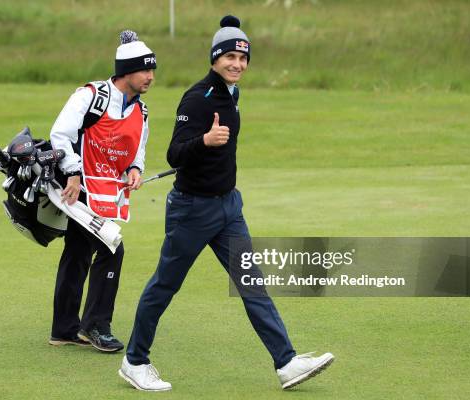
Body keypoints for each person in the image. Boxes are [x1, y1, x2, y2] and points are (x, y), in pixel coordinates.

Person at [118, 16, 334, 390]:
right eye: (230, 57)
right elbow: (174, 154)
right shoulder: (197, 98)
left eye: (243, 58)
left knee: (252, 284)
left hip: (228, 208)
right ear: (215, 59)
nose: (237, 64)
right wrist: (205, 140)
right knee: (164, 286)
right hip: (192, 211)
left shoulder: (232, 93)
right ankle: (135, 361)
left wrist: (214, 155)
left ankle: (286, 363)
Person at [48, 30, 156, 352]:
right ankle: (95, 326)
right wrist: (71, 172)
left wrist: (135, 170)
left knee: (78, 253)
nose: (150, 77)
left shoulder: (142, 111)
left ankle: (64, 329)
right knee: (112, 248)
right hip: (77, 189)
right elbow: (60, 134)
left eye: (152, 70)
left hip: (106, 192)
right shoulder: (91, 96)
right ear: (126, 72)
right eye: (144, 70)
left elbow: (137, 148)